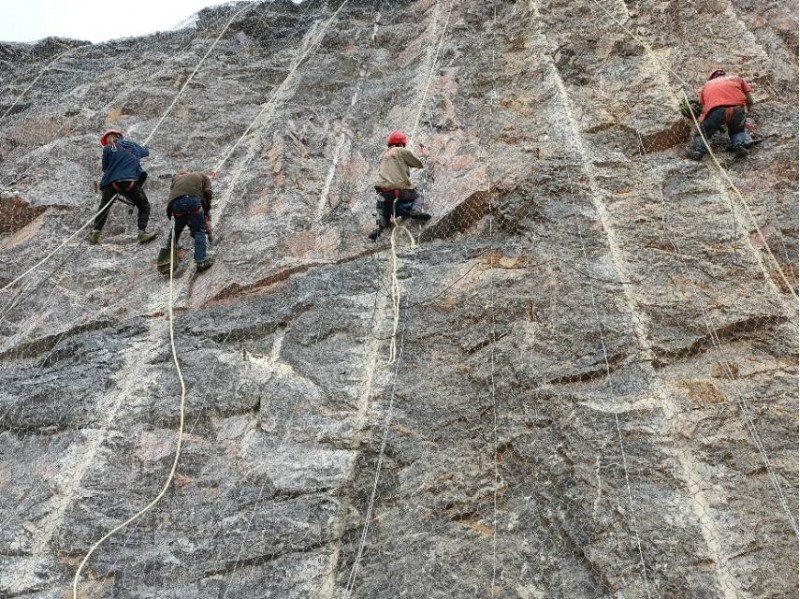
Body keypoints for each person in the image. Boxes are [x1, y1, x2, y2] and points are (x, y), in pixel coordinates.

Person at [87, 129, 157, 244]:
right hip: (129, 183)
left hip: (111, 184)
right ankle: (142, 233)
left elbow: (105, 168)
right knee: (144, 206)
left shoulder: (107, 149)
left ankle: (95, 233)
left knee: (104, 206)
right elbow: (145, 152)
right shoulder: (132, 145)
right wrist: (145, 148)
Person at [369, 130, 431, 241]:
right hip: (400, 191)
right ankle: (414, 211)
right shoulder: (401, 150)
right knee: (418, 196)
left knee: (384, 210)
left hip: (385, 192)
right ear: (402, 143)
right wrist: (423, 154)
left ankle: (380, 226)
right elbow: (419, 164)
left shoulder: (382, 155)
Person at [686, 69, 754, 160]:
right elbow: (750, 100)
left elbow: (704, 110)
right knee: (738, 131)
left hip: (717, 110)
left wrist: (710, 123)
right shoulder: (736, 78)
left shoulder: (706, 86)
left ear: (711, 78)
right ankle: (739, 146)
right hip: (738, 109)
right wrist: (746, 112)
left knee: (702, 132)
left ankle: (698, 151)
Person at [156, 171, 215, 274]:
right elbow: (208, 193)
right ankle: (201, 262)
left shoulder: (176, 178)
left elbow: (174, 193)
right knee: (199, 230)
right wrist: (206, 212)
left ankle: (169, 255)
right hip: (192, 200)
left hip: (175, 204)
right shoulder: (202, 176)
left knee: (177, 228)